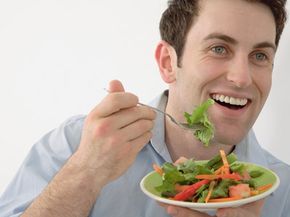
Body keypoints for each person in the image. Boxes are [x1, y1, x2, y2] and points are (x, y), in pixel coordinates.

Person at [0, 0, 289, 216]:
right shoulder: (75, 145)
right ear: (167, 63)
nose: (242, 77)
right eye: (218, 49)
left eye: (260, 55)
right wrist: (83, 176)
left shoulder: (283, 188)